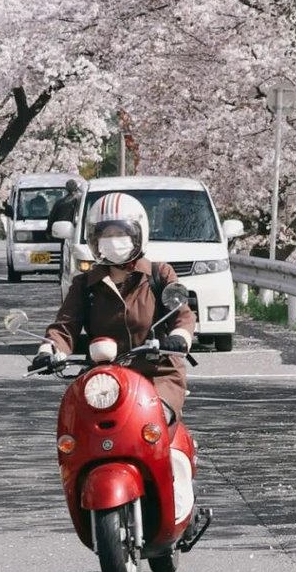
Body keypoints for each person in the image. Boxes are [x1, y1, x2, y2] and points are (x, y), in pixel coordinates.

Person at [33, 192, 195, 424]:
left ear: (138, 235)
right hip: (104, 379)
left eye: (121, 233)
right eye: (106, 234)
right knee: (79, 427)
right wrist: (48, 351)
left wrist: (179, 338)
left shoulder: (159, 275)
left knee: (153, 424)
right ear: (94, 239)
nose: (113, 240)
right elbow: (65, 325)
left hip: (157, 374)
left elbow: (182, 315)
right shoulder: (84, 284)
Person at [47, 179, 82, 274]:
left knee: (66, 255)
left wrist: (49, 231)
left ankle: (64, 273)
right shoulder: (81, 201)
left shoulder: (61, 202)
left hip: (65, 233)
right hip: (79, 232)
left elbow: (52, 218)